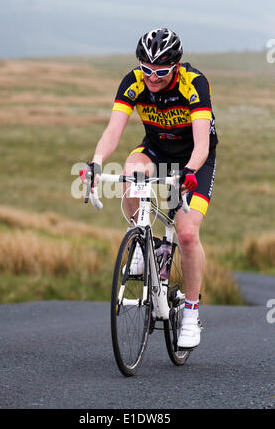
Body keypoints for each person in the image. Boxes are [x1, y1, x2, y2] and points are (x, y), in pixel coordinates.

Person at [81, 28, 218, 349]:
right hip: (156, 151)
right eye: (146, 69)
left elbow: (201, 143)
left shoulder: (194, 83)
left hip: (194, 159)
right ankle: (145, 244)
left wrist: (189, 172)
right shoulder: (133, 81)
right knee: (130, 173)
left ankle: (191, 314)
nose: (152, 77)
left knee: (186, 233)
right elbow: (114, 130)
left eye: (160, 71)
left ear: (176, 66)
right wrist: (97, 162)